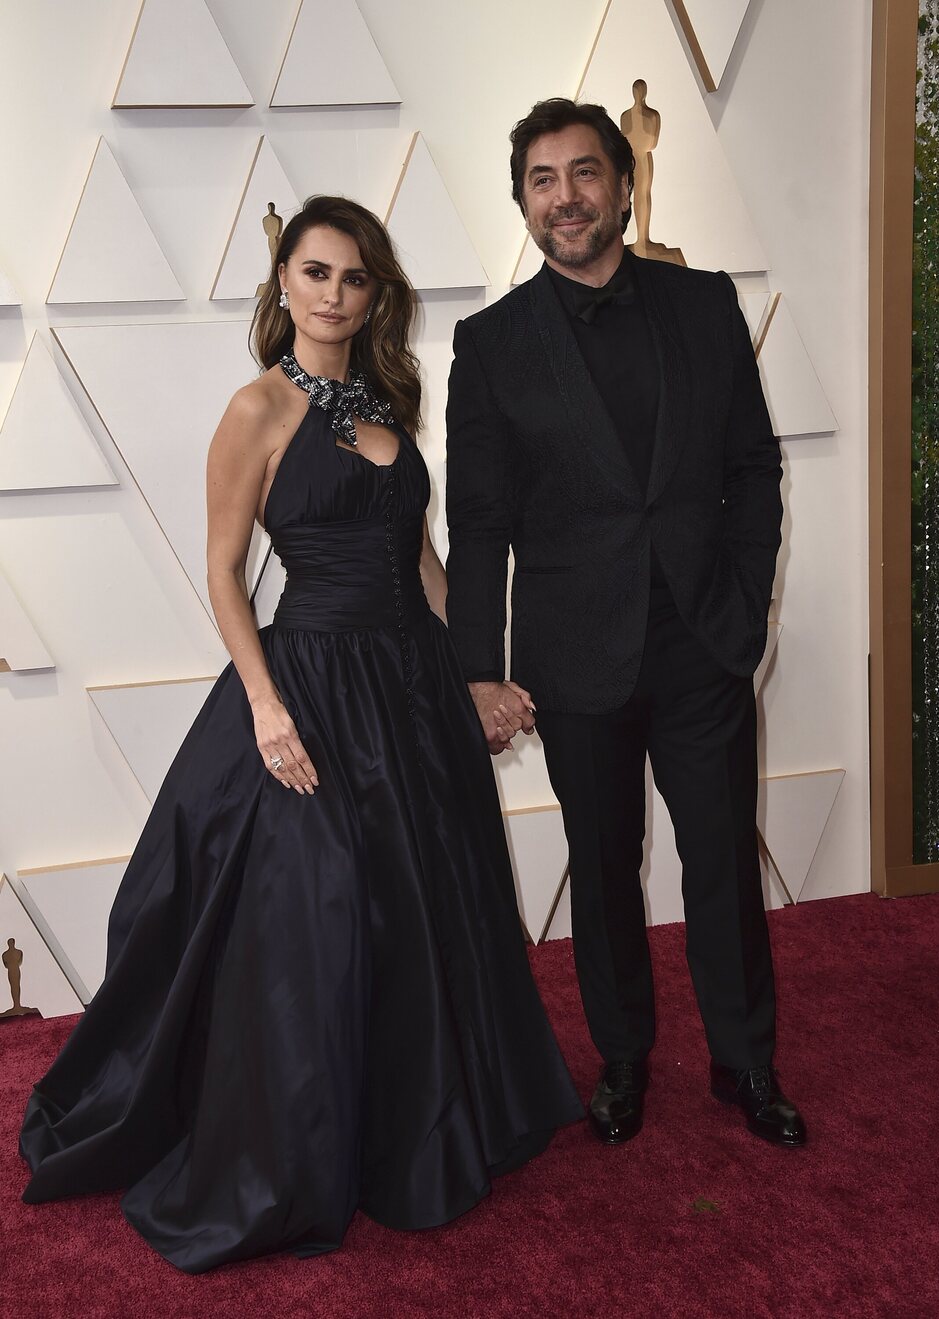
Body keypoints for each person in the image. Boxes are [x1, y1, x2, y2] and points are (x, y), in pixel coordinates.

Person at [19, 195, 583, 1273]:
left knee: (429, 902)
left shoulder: (384, 398)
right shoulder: (257, 409)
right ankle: (312, 1138)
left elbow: (416, 553)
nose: (334, 294)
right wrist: (267, 703)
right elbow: (224, 567)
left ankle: (416, 1120)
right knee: (322, 913)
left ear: (375, 294)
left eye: (355, 277)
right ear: (284, 282)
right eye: (316, 272)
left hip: (409, 684)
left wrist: (471, 671)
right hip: (314, 681)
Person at [444, 99, 807, 1151]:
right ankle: (625, 1057)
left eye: (585, 172)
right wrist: (479, 670)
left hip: (703, 640)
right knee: (603, 864)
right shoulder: (492, 343)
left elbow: (752, 466)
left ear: (623, 183)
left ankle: (746, 1062)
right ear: (523, 203)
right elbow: (479, 524)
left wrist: (747, 605)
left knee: (723, 861)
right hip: (573, 655)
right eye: (544, 179)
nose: (568, 195)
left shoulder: (704, 304)